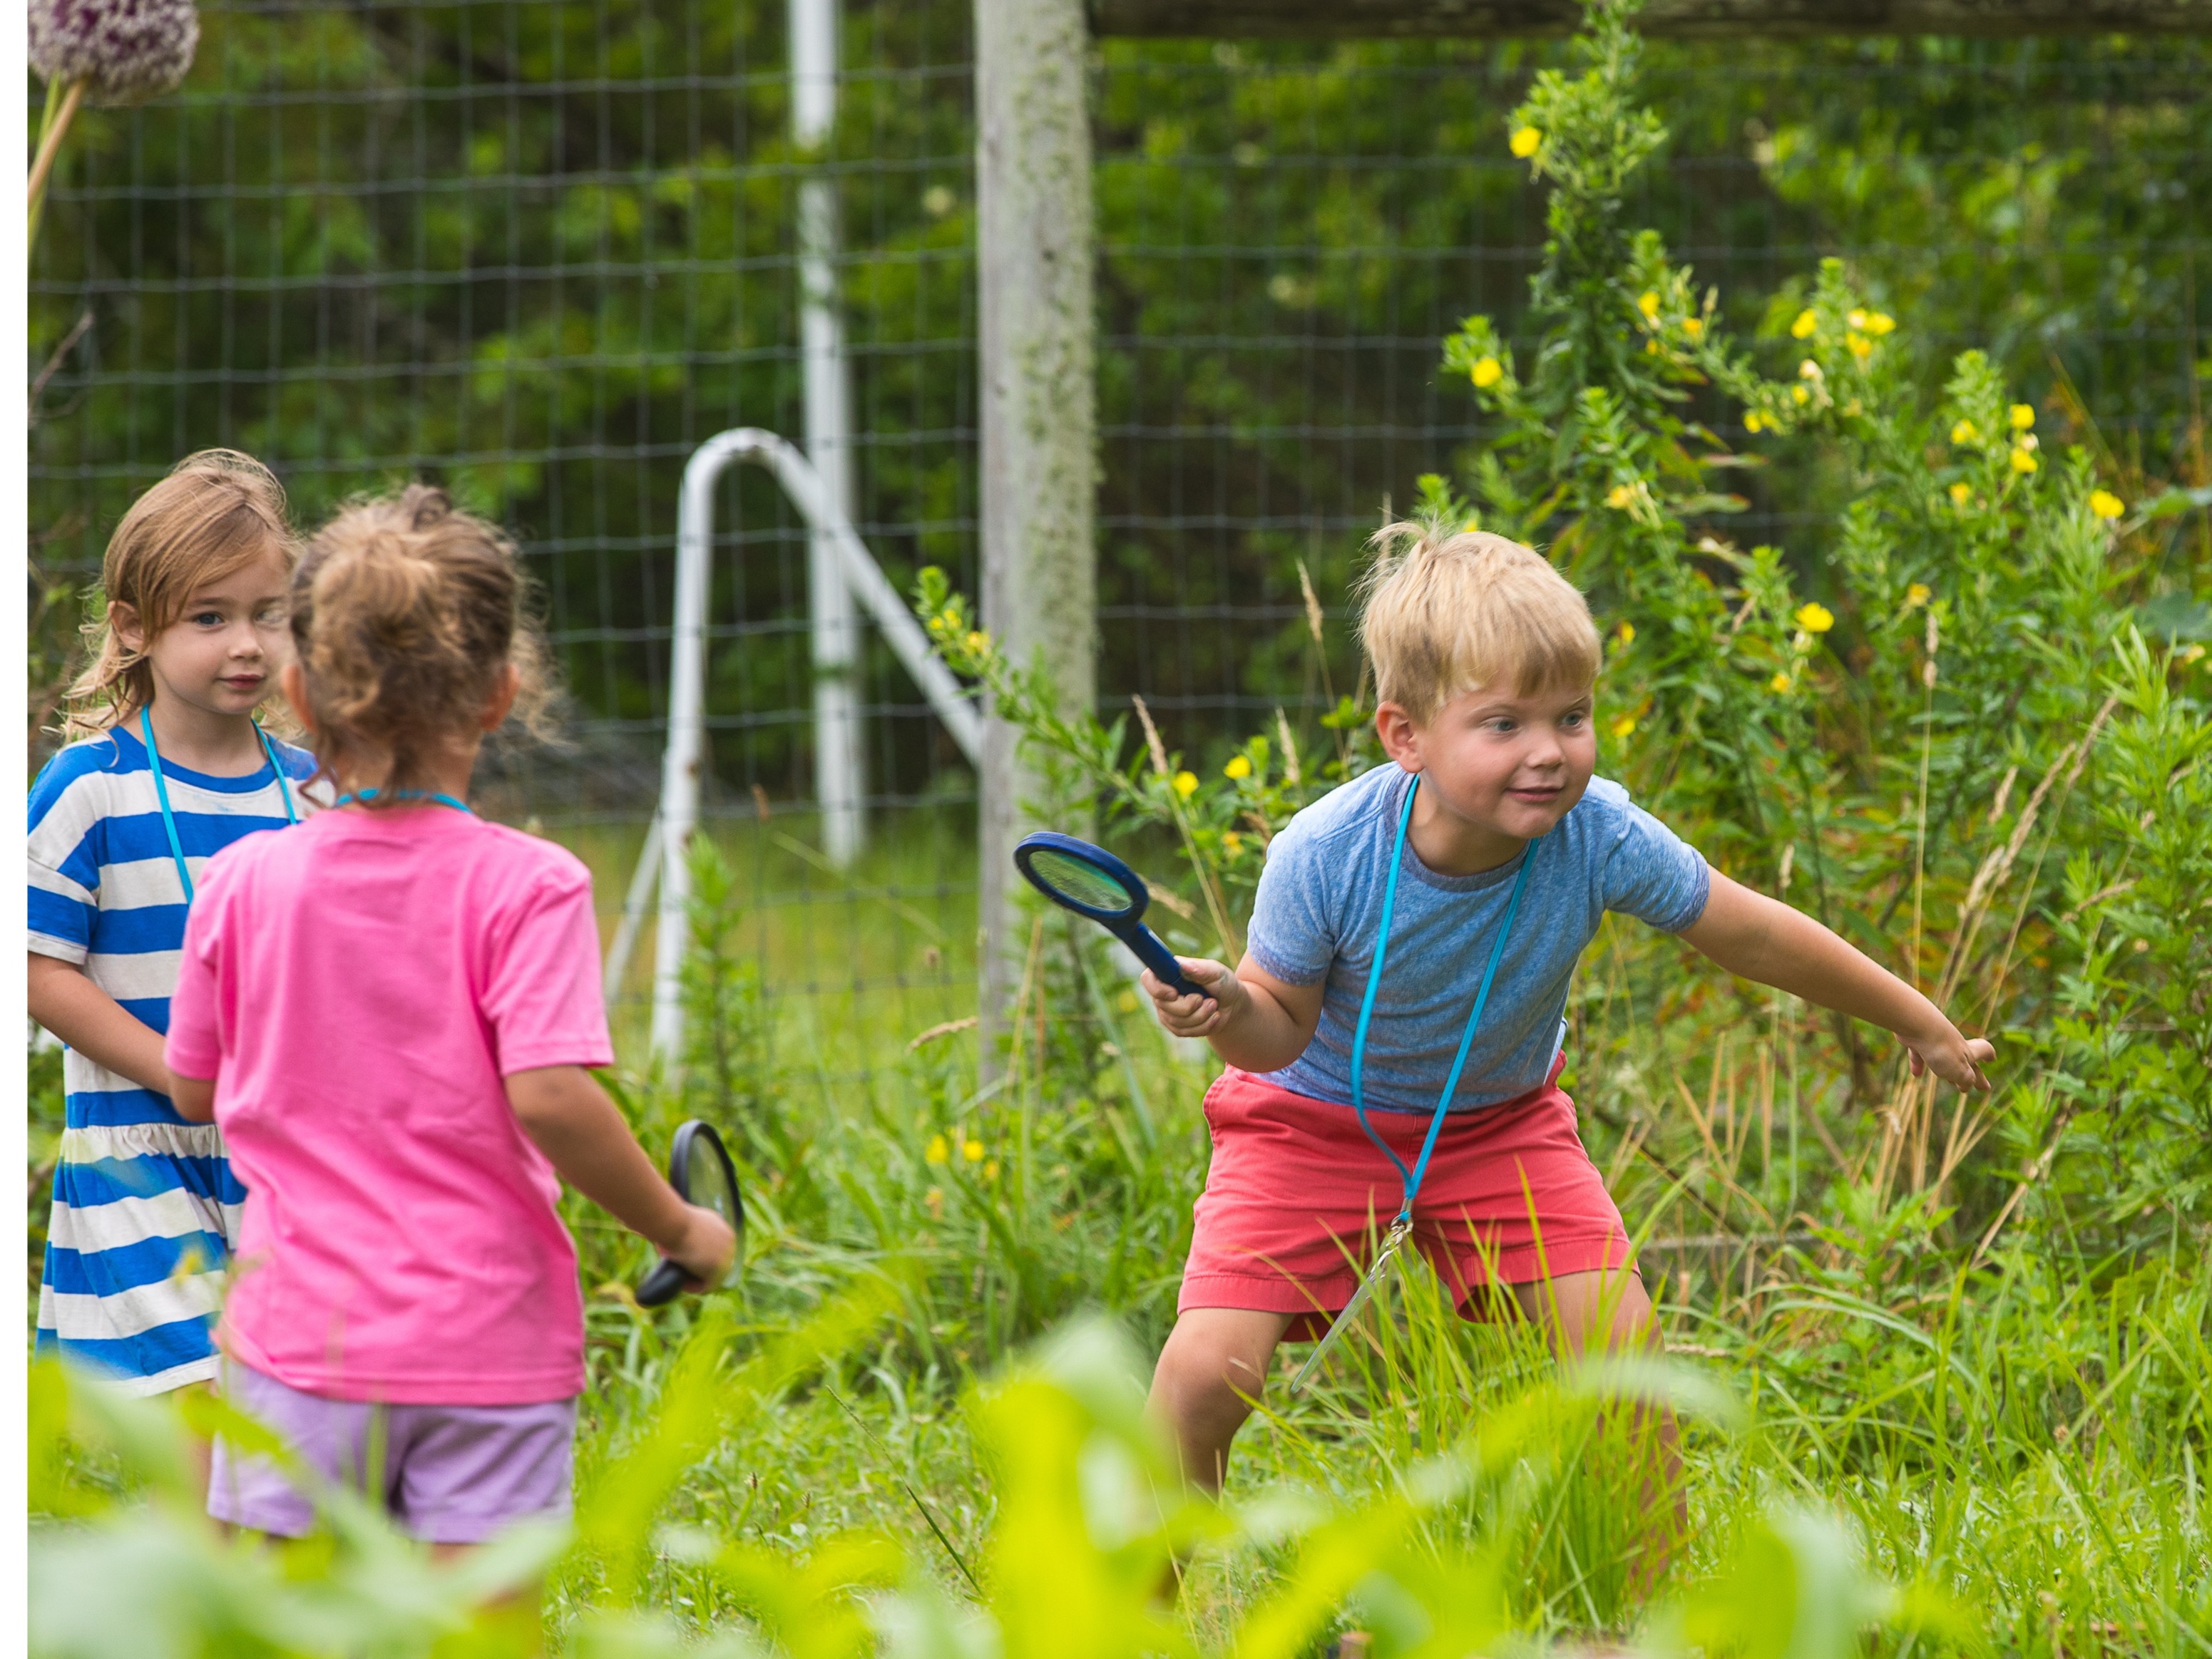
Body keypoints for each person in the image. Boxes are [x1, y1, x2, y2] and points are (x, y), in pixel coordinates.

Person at [1143, 521, 1994, 1499]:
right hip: (1312, 1123)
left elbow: (1752, 935)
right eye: (1504, 724)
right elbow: (1275, 1035)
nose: (1548, 752)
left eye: (1572, 716)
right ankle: (1133, 1587)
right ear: (1405, 735)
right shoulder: (1326, 852)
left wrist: (1915, 1019)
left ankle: (1640, 1598)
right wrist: (1226, 1008)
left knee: (1626, 1370)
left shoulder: (1596, 836)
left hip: (1499, 1128)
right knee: (1206, 1379)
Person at [162, 484, 735, 1553]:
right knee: (480, 1621)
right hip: (487, 1346)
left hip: (299, 1344)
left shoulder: (240, 883)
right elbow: (551, 1096)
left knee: (284, 1620)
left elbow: (196, 1087)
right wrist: (680, 1228)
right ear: (501, 693)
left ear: (299, 690)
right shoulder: (534, 886)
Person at [29, 451, 317, 1399]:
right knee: (202, 1400)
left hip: (286, 1158)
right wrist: (179, 1072)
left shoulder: (313, 793)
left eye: (267, 614)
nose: (247, 644)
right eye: (210, 617)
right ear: (133, 627)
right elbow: (33, 965)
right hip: (140, 1150)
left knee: (287, 1404)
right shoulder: (91, 788)